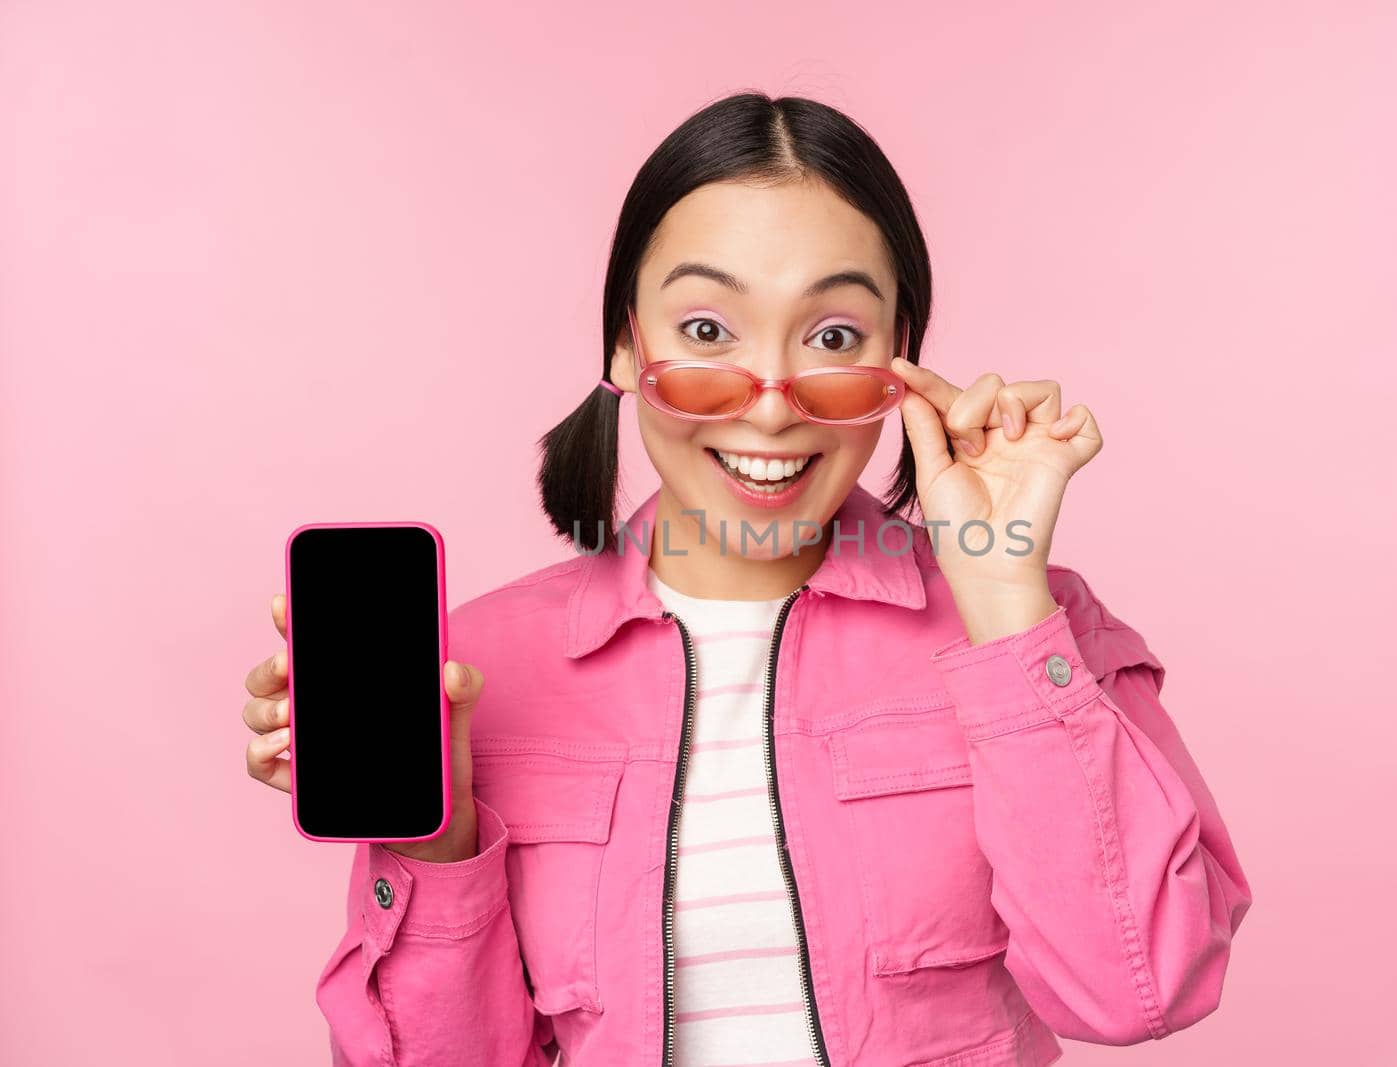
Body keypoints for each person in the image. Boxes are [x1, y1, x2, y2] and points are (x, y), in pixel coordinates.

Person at [241, 91, 1253, 1066]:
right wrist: (437, 836)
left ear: (902, 362)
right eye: (706, 331)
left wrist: (999, 598)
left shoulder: (1031, 623)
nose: (770, 407)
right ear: (625, 346)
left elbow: (1139, 991)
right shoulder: (476, 666)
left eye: (833, 337)